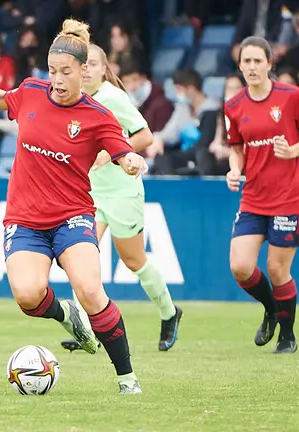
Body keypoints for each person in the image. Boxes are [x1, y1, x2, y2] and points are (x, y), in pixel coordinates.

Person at [0, 19, 149, 394]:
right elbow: (2, 98)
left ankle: (127, 378)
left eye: (66, 72)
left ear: (83, 71)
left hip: (73, 217)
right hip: (25, 220)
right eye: (52, 71)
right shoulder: (31, 91)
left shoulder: (97, 116)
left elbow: (124, 150)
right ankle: (66, 315)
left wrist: (130, 162)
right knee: (28, 297)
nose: (57, 79)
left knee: (91, 291)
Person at [59, 43, 181, 353]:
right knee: (79, 261)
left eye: (93, 64)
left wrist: (113, 149)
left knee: (134, 261)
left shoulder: (113, 98)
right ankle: (85, 328)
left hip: (122, 193)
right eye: (82, 64)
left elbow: (144, 136)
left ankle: (170, 313)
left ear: (104, 69)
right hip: (89, 195)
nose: (86, 69)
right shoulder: (71, 100)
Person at [224, 36, 299, 354]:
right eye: (246, 62)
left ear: (269, 63)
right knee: (240, 266)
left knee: (278, 269)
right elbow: (235, 148)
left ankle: (287, 336)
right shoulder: (233, 105)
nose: (252, 67)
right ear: (239, 66)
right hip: (253, 197)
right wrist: (234, 169)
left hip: (288, 197)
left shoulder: (291, 96)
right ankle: (271, 309)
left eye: (258, 61)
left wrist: (292, 150)